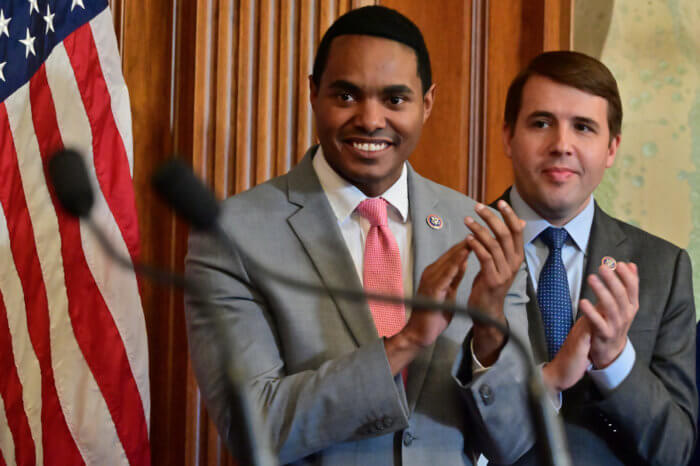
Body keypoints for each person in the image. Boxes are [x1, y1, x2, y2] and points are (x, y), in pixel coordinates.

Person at [185, 6, 526, 465]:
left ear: (426, 104)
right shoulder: (234, 234)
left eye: (395, 100)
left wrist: (489, 335)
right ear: (313, 93)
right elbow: (253, 430)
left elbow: (517, 442)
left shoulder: (483, 233)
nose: (369, 119)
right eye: (346, 96)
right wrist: (407, 341)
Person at [464, 51, 698, 465]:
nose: (561, 145)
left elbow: (675, 452)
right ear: (507, 136)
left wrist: (615, 361)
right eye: (541, 123)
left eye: (583, 127)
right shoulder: (457, 250)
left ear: (611, 149)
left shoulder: (663, 267)